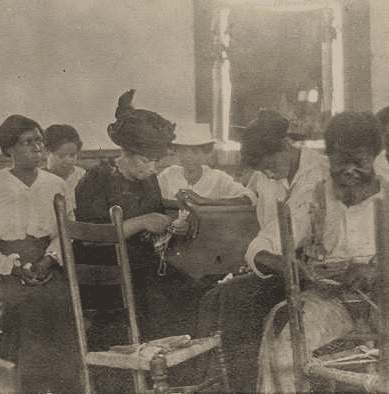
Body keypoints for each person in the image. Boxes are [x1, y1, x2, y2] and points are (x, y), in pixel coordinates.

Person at [255, 111, 389, 393]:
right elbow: (264, 243)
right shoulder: (312, 196)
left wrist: (381, 272)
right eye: (340, 161)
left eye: (359, 161)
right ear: (328, 156)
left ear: (375, 157)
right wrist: (278, 260)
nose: (348, 170)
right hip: (330, 300)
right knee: (283, 346)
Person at [194, 110, 328, 393]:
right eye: (262, 171)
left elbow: (290, 230)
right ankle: (219, 383)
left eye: (270, 165)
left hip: (312, 270)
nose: (267, 174)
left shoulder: (319, 173)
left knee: (235, 298)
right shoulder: (265, 175)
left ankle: (245, 386)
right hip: (277, 265)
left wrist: (261, 255)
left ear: (285, 147)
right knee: (210, 298)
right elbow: (251, 207)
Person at [0, 114, 82, 393]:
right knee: (22, 306)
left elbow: (63, 232)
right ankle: (19, 387)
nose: (37, 149)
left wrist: (48, 259)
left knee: (62, 301)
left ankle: (61, 388)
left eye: (40, 142)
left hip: (46, 265)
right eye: (27, 143)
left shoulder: (56, 185)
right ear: (9, 148)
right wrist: (13, 267)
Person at [74, 89, 195, 345]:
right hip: (102, 270)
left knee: (191, 287)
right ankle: (149, 364)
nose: (152, 169)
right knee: (156, 296)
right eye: (145, 161)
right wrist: (141, 222)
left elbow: (156, 222)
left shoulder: (148, 180)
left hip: (140, 264)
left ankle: (171, 365)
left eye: (156, 162)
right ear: (125, 154)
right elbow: (90, 239)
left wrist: (173, 227)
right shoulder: (96, 180)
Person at [158, 122, 256, 207]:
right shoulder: (168, 175)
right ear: (176, 152)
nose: (188, 157)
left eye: (195, 151)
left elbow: (250, 197)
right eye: (182, 151)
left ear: (206, 153)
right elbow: (151, 200)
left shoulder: (218, 178)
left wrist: (205, 201)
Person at [43, 124, 86, 212]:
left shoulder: (82, 177)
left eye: (72, 155)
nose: (68, 160)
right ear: (46, 152)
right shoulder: (39, 178)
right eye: (61, 155)